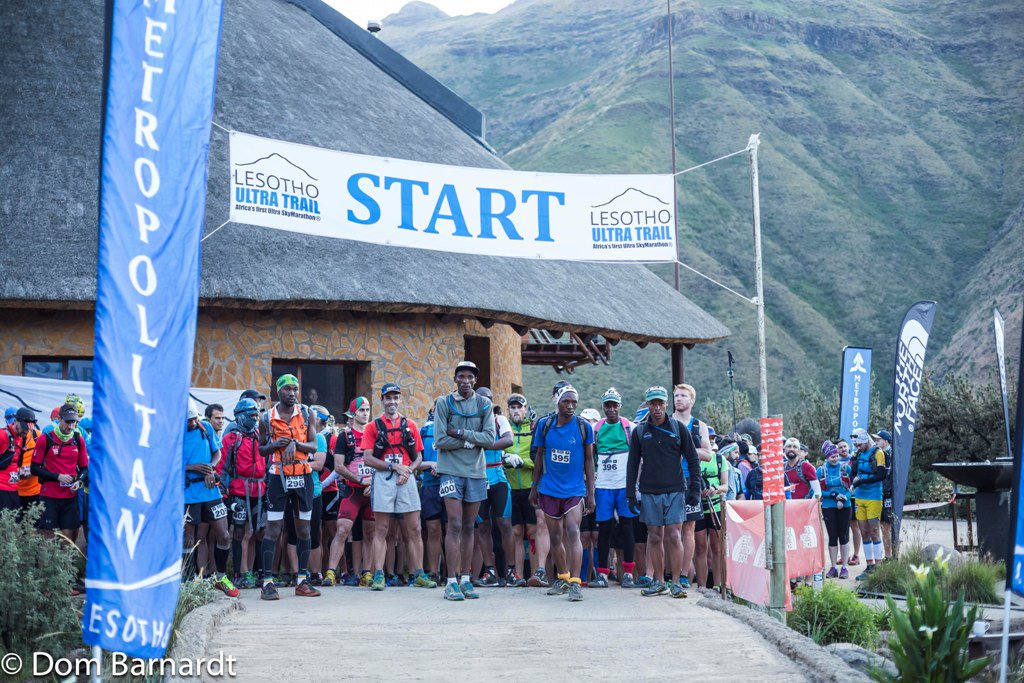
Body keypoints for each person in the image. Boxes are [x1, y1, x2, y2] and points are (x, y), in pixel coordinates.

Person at [626, 386, 701, 598]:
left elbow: (693, 459)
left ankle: (676, 582)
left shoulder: (678, 428)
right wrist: (630, 493)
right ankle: (658, 581)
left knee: (674, 535)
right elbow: (632, 464)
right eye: (652, 403)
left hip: (675, 489)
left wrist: (695, 488)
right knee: (655, 536)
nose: (657, 408)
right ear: (647, 405)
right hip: (649, 491)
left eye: (660, 403)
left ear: (666, 404)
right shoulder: (640, 431)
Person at [361, 383, 436, 590]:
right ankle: (378, 575)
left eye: (396, 398)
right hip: (384, 477)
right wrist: (395, 467)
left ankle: (419, 573)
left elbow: (419, 455)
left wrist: (409, 471)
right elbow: (367, 458)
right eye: (388, 398)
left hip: (407, 478)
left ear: (400, 400)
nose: (392, 402)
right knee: (382, 528)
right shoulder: (372, 427)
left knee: (414, 528)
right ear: (382, 400)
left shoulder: (410, 425)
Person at [433, 361, 496, 601]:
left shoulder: (484, 404)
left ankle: (467, 580)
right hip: (450, 470)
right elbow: (440, 440)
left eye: (470, 377)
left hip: (476, 472)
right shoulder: (443, 403)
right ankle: (451, 581)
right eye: (461, 376)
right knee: (455, 524)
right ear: (455, 379)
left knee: (471, 526)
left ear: (475, 380)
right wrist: (473, 441)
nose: (466, 381)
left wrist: (461, 434)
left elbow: (490, 439)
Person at [530, 385, 595, 602]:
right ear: (557, 402)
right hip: (549, 489)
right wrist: (534, 487)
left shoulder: (584, 427)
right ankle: (563, 578)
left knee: (573, 531)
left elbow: (589, 460)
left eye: (574, 402)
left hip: (574, 490)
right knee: (556, 536)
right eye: (566, 401)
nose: (570, 406)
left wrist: (590, 493)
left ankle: (576, 583)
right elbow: (539, 455)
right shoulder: (544, 425)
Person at [257, 374, 321, 599]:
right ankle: (267, 582)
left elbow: (313, 446)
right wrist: (275, 445)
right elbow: (261, 449)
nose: (292, 393)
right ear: (278, 391)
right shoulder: (266, 418)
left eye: (295, 389)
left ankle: (302, 581)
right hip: (278, 478)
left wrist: (296, 443)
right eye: (287, 389)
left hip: (303, 477)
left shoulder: (306, 413)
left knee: (304, 529)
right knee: (273, 529)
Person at [178, 399, 237, 596]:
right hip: (187, 493)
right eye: (189, 421)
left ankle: (220, 576)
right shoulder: (173, 434)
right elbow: (165, 464)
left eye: (195, 419)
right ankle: (193, 581)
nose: (193, 423)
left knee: (224, 534)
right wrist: (192, 467)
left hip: (211, 491)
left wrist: (211, 466)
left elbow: (217, 453)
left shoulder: (205, 428)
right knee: (191, 540)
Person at [324, 396, 374, 588]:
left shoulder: (375, 434)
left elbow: (383, 462)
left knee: (370, 533)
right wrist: (360, 479)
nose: (365, 414)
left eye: (367, 410)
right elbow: (338, 466)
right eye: (361, 410)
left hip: (371, 492)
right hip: (352, 491)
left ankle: (367, 573)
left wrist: (375, 483)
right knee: (342, 530)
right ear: (353, 414)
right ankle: (331, 573)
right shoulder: (345, 436)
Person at [591, 388, 637, 589]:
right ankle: (602, 573)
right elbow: (590, 456)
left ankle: (627, 572)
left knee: (627, 527)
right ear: (603, 407)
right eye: (607, 405)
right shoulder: (596, 429)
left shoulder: (629, 427)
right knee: (605, 530)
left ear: (620, 405)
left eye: (614, 405)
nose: (611, 409)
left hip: (624, 486)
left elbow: (638, 456)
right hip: (603, 487)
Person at [218, 397, 266, 589]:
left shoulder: (260, 436)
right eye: (251, 415)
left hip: (260, 491)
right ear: (240, 416)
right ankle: (240, 573)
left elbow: (269, 461)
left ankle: (258, 572)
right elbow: (221, 466)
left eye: (257, 414)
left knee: (260, 532)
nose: (255, 418)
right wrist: (222, 492)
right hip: (239, 490)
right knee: (241, 532)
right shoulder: (231, 438)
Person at [473, 387, 517, 587]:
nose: (485, 402)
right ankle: (489, 571)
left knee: (505, 525)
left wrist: (481, 443)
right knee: (482, 527)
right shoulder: (471, 421)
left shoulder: (499, 419)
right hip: (477, 478)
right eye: (481, 399)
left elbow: (509, 440)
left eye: (488, 399)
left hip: (498, 476)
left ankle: (511, 570)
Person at [671, 384, 712, 590]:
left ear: (691, 400)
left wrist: (686, 449)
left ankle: (684, 575)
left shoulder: (699, 426)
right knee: (669, 529)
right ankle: (671, 574)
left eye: (683, 396)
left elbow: (708, 454)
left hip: (690, 482)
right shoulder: (666, 422)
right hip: (669, 481)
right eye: (676, 395)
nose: (678, 399)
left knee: (688, 529)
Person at [503, 393, 534, 586]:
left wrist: (525, 462)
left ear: (525, 409)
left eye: (519, 407)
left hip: (530, 488)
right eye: (512, 408)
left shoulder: (533, 428)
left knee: (532, 532)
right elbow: (496, 450)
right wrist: (504, 458)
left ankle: (535, 576)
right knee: (516, 533)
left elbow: (539, 457)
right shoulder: (503, 428)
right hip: (511, 487)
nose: (515, 411)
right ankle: (519, 576)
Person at [694, 434, 731, 589]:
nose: (709, 443)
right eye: (706, 440)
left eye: (712, 441)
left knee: (717, 547)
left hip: (715, 506)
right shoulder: (693, 458)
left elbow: (725, 486)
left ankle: (718, 585)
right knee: (700, 547)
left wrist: (714, 489)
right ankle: (702, 586)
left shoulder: (720, 460)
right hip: (697, 507)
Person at [850, 428, 887, 580]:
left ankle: (878, 566)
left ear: (866, 440)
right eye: (856, 445)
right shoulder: (858, 454)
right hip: (859, 496)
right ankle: (869, 566)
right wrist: (853, 478)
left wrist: (862, 481)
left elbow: (881, 475)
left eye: (859, 444)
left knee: (874, 531)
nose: (858, 447)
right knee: (863, 531)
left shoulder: (878, 453)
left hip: (874, 497)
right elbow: (853, 471)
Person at [818, 441, 852, 579]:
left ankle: (844, 567)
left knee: (843, 536)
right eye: (832, 457)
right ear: (826, 457)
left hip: (845, 505)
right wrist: (833, 495)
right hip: (828, 506)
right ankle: (833, 567)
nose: (835, 459)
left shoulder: (845, 469)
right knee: (832, 536)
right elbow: (819, 491)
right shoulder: (821, 471)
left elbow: (851, 488)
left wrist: (843, 498)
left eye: (837, 456)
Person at [417, 409, 444, 581]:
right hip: (429, 485)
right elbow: (415, 462)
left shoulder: (452, 429)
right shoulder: (423, 431)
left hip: (450, 484)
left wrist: (443, 466)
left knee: (452, 530)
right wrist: (431, 465)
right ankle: (434, 572)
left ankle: (454, 574)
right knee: (433, 530)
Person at [1, 408, 37, 512]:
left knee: (16, 524)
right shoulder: (3, 435)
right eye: (24, 427)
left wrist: (33, 470)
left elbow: (15, 468)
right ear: (15, 421)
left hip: (14, 489)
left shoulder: (22, 438)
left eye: (28, 429)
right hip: (2, 489)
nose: (25, 431)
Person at [836, 438, 862, 565]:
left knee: (855, 526)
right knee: (842, 527)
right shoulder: (834, 461)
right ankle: (844, 556)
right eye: (840, 447)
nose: (843, 449)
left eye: (845, 446)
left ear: (849, 447)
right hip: (840, 497)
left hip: (853, 497)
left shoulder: (854, 460)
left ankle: (856, 556)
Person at [875, 429, 894, 559]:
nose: (876, 442)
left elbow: (893, 476)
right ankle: (887, 555)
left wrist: (887, 491)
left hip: (889, 495)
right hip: (879, 493)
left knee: (887, 526)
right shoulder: (879, 453)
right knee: (882, 526)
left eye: (878, 439)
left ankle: (890, 556)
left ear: (885, 441)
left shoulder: (893, 454)